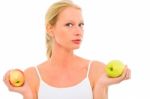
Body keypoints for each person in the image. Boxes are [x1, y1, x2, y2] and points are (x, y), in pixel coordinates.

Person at [3, 0, 131, 99]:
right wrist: (26, 92)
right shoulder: (32, 75)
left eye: (81, 25)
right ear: (50, 29)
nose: (78, 31)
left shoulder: (96, 70)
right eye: (69, 25)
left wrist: (101, 85)